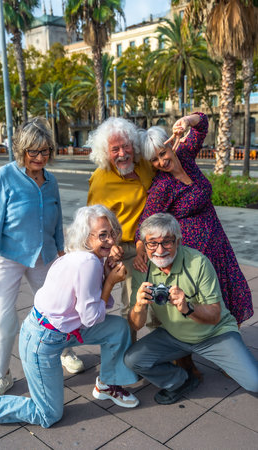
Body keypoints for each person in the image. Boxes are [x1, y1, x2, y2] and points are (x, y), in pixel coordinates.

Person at [0, 205, 139, 427]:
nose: (111, 241)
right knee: (48, 414)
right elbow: (92, 317)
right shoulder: (88, 263)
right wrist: (110, 281)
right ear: (86, 236)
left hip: (61, 330)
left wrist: (105, 272)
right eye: (103, 235)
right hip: (42, 341)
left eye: (113, 233)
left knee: (118, 328)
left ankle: (107, 384)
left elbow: (88, 306)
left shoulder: (86, 257)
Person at [0, 117, 83, 395]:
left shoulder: (51, 180)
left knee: (60, 308)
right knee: (0, 318)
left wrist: (61, 255)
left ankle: (63, 350)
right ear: (22, 150)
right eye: (33, 151)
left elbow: (57, 223)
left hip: (44, 256)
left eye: (45, 151)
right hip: (6, 256)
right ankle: (1, 375)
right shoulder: (5, 176)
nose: (40, 157)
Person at [125, 213, 258, 405]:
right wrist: (138, 306)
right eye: (152, 243)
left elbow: (214, 315)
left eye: (167, 242)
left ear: (178, 241)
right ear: (144, 245)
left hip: (214, 334)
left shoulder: (198, 262)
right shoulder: (142, 268)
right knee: (133, 360)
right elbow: (135, 325)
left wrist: (187, 307)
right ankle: (182, 380)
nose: (159, 250)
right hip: (173, 335)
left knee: (254, 382)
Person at [134, 112, 253, 325]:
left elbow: (203, 125)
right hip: (195, 250)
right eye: (154, 159)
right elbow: (146, 223)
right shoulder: (162, 186)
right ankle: (187, 353)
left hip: (217, 241)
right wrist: (141, 248)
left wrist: (186, 121)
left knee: (230, 293)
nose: (162, 161)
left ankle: (228, 338)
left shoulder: (186, 156)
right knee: (202, 298)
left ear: (171, 145)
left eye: (163, 153)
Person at [87, 117, 155, 320]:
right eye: (115, 149)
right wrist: (111, 246)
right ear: (106, 153)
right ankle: (130, 348)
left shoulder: (145, 164)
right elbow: (95, 222)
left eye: (126, 146)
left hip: (156, 241)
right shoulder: (101, 179)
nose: (122, 154)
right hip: (126, 247)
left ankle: (165, 348)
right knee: (133, 304)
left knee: (162, 302)